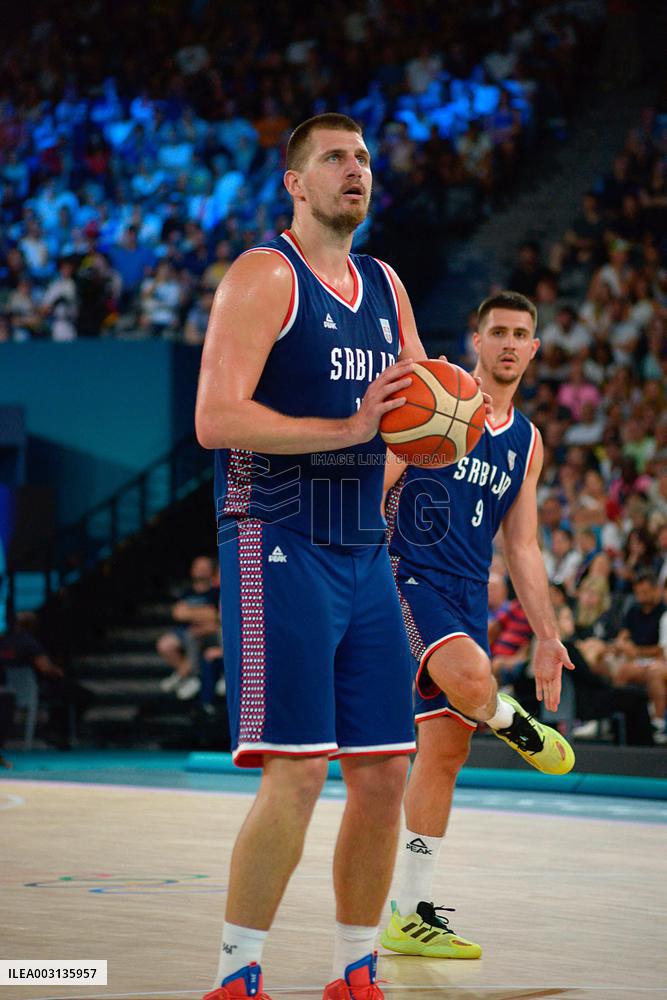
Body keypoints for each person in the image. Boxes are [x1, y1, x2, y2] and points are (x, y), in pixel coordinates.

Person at [195, 113, 432, 1000]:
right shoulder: (264, 275)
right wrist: (349, 429)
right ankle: (236, 976)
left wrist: (434, 430)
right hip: (276, 535)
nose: (355, 170)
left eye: (364, 158)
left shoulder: (385, 283)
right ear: (295, 182)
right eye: (335, 158)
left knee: (382, 771)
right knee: (296, 768)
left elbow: (410, 409)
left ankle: (353, 971)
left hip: (361, 549)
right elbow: (216, 419)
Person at [381, 291, 575, 960]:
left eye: (521, 334)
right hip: (406, 573)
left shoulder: (527, 441)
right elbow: (378, 480)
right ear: (476, 340)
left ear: (534, 349)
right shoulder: (439, 397)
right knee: (470, 677)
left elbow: (521, 546)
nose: (508, 344)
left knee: (443, 755)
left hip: (467, 590)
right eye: (497, 331)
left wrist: (547, 635)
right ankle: (508, 719)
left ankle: (409, 913)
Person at [157, 555, 220, 701]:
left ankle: (186, 676)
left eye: (204, 568)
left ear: (211, 570)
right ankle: (184, 674)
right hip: (184, 630)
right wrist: (202, 613)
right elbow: (178, 613)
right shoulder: (187, 591)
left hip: (208, 630)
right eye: (197, 567)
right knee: (165, 645)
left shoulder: (215, 591)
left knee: (194, 635)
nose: (200, 571)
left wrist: (190, 613)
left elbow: (213, 615)